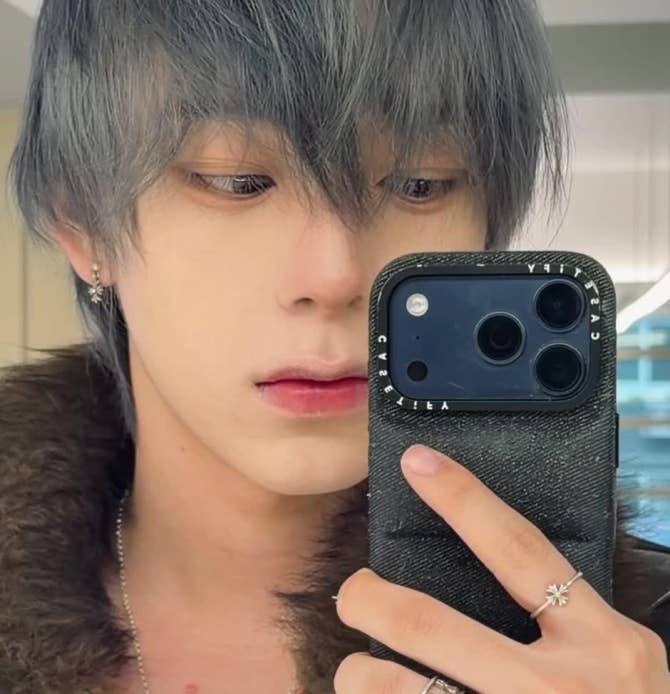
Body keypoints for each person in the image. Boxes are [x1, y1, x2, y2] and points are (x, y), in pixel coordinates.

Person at [1, 1, 669, 692]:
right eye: (237, 180)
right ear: (81, 225)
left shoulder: (641, 643)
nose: (335, 275)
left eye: (419, 184)